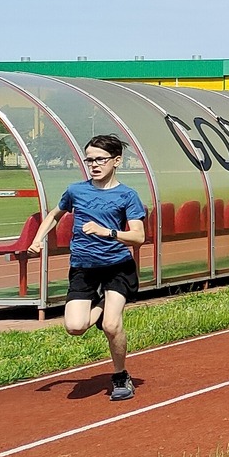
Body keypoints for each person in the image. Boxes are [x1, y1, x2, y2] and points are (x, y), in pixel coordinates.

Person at [26, 134, 148, 402]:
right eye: (89, 160)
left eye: (100, 159)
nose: (94, 165)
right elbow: (54, 215)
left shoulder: (127, 195)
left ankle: (120, 376)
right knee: (75, 326)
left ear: (116, 161)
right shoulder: (75, 191)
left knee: (112, 326)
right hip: (83, 267)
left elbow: (138, 236)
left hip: (117, 266)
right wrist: (38, 240)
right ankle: (103, 304)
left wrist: (108, 232)